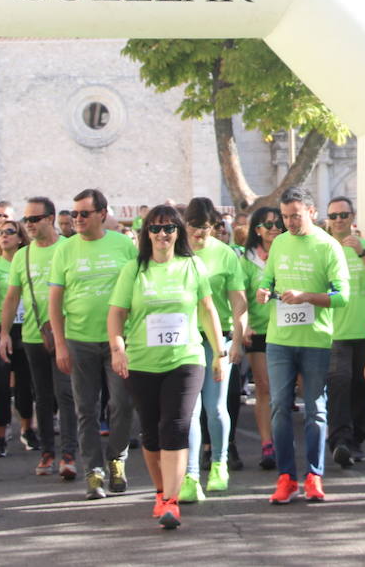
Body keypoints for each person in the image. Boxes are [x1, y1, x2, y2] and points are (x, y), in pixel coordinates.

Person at [108, 205, 225, 530]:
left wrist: (219, 352)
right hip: (143, 362)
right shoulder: (134, 269)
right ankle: (161, 491)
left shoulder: (192, 266)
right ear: (147, 234)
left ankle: (172, 501)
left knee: (175, 424)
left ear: (178, 232)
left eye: (169, 228)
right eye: (156, 229)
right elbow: (116, 312)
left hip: (185, 359)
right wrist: (117, 348)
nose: (162, 234)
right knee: (150, 430)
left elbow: (207, 310)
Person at [254, 186, 350, 504]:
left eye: (295, 216)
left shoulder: (328, 247)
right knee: (280, 407)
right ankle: (286, 477)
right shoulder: (280, 243)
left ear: (311, 211)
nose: (289, 223)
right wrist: (264, 291)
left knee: (315, 409)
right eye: (284, 217)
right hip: (280, 339)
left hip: (315, 341)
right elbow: (268, 279)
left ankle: (313, 475)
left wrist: (307, 296)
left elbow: (342, 296)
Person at [48, 188, 138, 499]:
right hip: (79, 340)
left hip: (118, 342)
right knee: (84, 408)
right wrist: (60, 344)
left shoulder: (123, 245)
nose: (77, 219)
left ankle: (116, 460)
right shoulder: (65, 249)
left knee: (122, 404)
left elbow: (136, 289)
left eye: (84, 214)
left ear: (102, 214)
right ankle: (93, 471)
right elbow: (55, 301)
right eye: (74, 214)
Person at [0, 197, 76, 480]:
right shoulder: (23, 255)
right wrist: (5, 333)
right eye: (26, 220)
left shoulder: (69, 248)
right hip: (34, 336)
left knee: (66, 394)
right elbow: (11, 297)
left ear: (50, 219)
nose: (28, 225)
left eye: (34, 219)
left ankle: (69, 453)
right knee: (42, 397)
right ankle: (47, 451)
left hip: (67, 335)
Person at [180, 197, 246, 499]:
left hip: (219, 338)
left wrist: (238, 340)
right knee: (190, 410)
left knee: (215, 406)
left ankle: (219, 463)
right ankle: (191, 474)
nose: (199, 235)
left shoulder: (226, 255)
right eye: (194, 228)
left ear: (215, 227)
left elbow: (237, 300)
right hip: (185, 338)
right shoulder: (176, 253)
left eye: (205, 229)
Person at [326, 196, 365, 469]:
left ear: (352, 217)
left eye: (343, 215)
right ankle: (339, 441)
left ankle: (356, 440)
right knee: (339, 386)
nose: (339, 220)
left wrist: (362, 253)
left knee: (360, 388)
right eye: (334, 216)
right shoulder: (322, 248)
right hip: (334, 331)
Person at [237, 206, 281, 470]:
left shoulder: (290, 253)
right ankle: (268, 444)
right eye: (268, 225)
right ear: (257, 230)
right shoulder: (246, 259)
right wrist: (246, 324)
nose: (274, 228)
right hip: (260, 331)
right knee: (263, 387)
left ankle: (283, 436)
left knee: (285, 390)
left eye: (278, 224)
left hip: (288, 329)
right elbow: (240, 294)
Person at [0, 218, 33, 458]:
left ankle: (27, 429)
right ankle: (0, 436)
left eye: (10, 232)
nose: (4, 236)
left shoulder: (28, 262)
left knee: (26, 383)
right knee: (1, 386)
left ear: (20, 237)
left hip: (26, 326)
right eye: (0, 232)